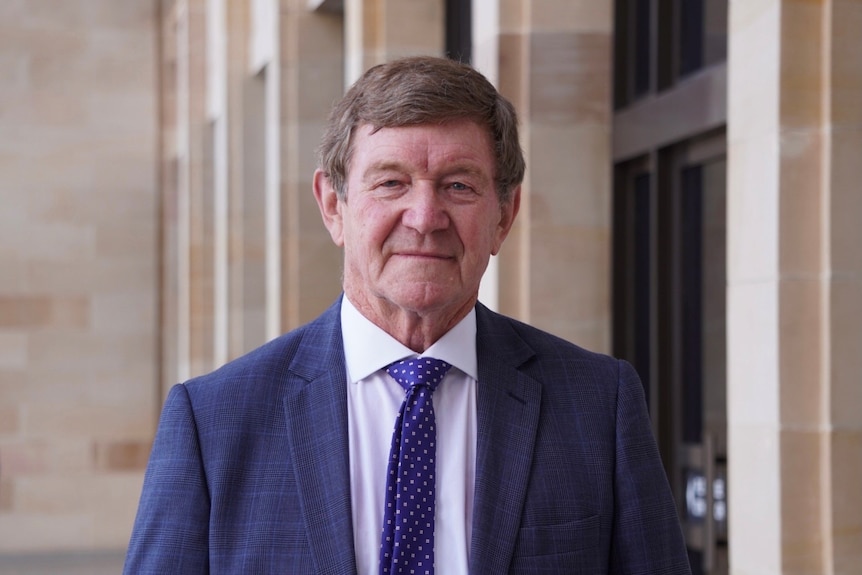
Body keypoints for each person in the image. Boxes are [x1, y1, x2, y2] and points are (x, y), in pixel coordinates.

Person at [124, 56, 691, 574]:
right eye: (391, 182)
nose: (424, 216)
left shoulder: (597, 406)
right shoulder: (215, 422)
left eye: (459, 185)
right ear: (333, 206)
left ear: (504, 215)